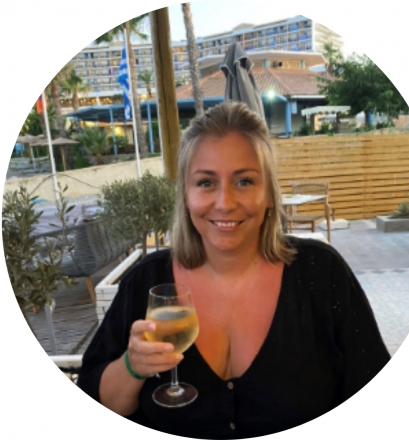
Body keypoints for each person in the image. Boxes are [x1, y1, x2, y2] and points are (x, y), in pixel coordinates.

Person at [78, 102, 390, 439]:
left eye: (244, 181)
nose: (225, 203)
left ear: (269, 194)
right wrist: (132, 366)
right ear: (186, 196)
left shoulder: (322, 274)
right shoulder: (146, 281)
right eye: (205, 183)